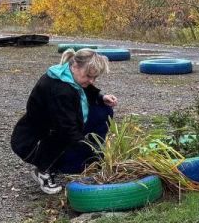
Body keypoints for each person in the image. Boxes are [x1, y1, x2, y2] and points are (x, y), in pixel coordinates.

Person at [11, 48, 119, 194]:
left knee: (103, 111)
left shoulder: (68, 75)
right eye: (89, 76)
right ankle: (45, 170)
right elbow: (68, 130)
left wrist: (101, 97)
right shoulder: (61, 90)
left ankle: (83, 159)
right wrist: (95, 150)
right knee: (68, 142)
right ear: (75, 66)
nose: (91, 81)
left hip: (56, 127)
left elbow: (84, 90)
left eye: (95, 77)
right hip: (32, 142)